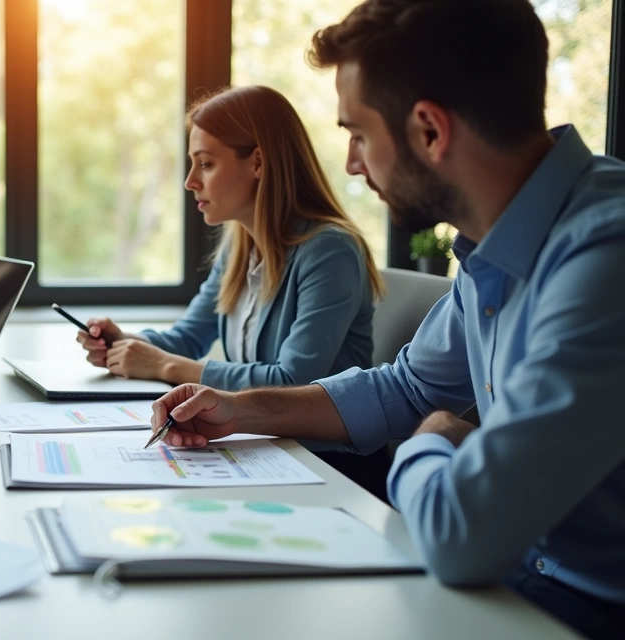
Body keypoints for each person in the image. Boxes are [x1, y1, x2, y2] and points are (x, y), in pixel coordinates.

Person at [151, 1, 625, 637]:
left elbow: (464, 534)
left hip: (584, 605)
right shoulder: (496, 248)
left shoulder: (604, 259)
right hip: (522, 581)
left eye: (359, 135)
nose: (351, 163)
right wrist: (242, 410)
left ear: (430, 131)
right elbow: (406, 386)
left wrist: (433, 436)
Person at [77, 85, 384, 392]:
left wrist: (163, 365)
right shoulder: (239, 250)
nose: (190, 181)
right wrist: (125, 343)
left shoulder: (330, 251)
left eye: (206, 163)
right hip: (259, 433)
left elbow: (292, 382)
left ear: (258, 163)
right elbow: (188, 338)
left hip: (313, 441)